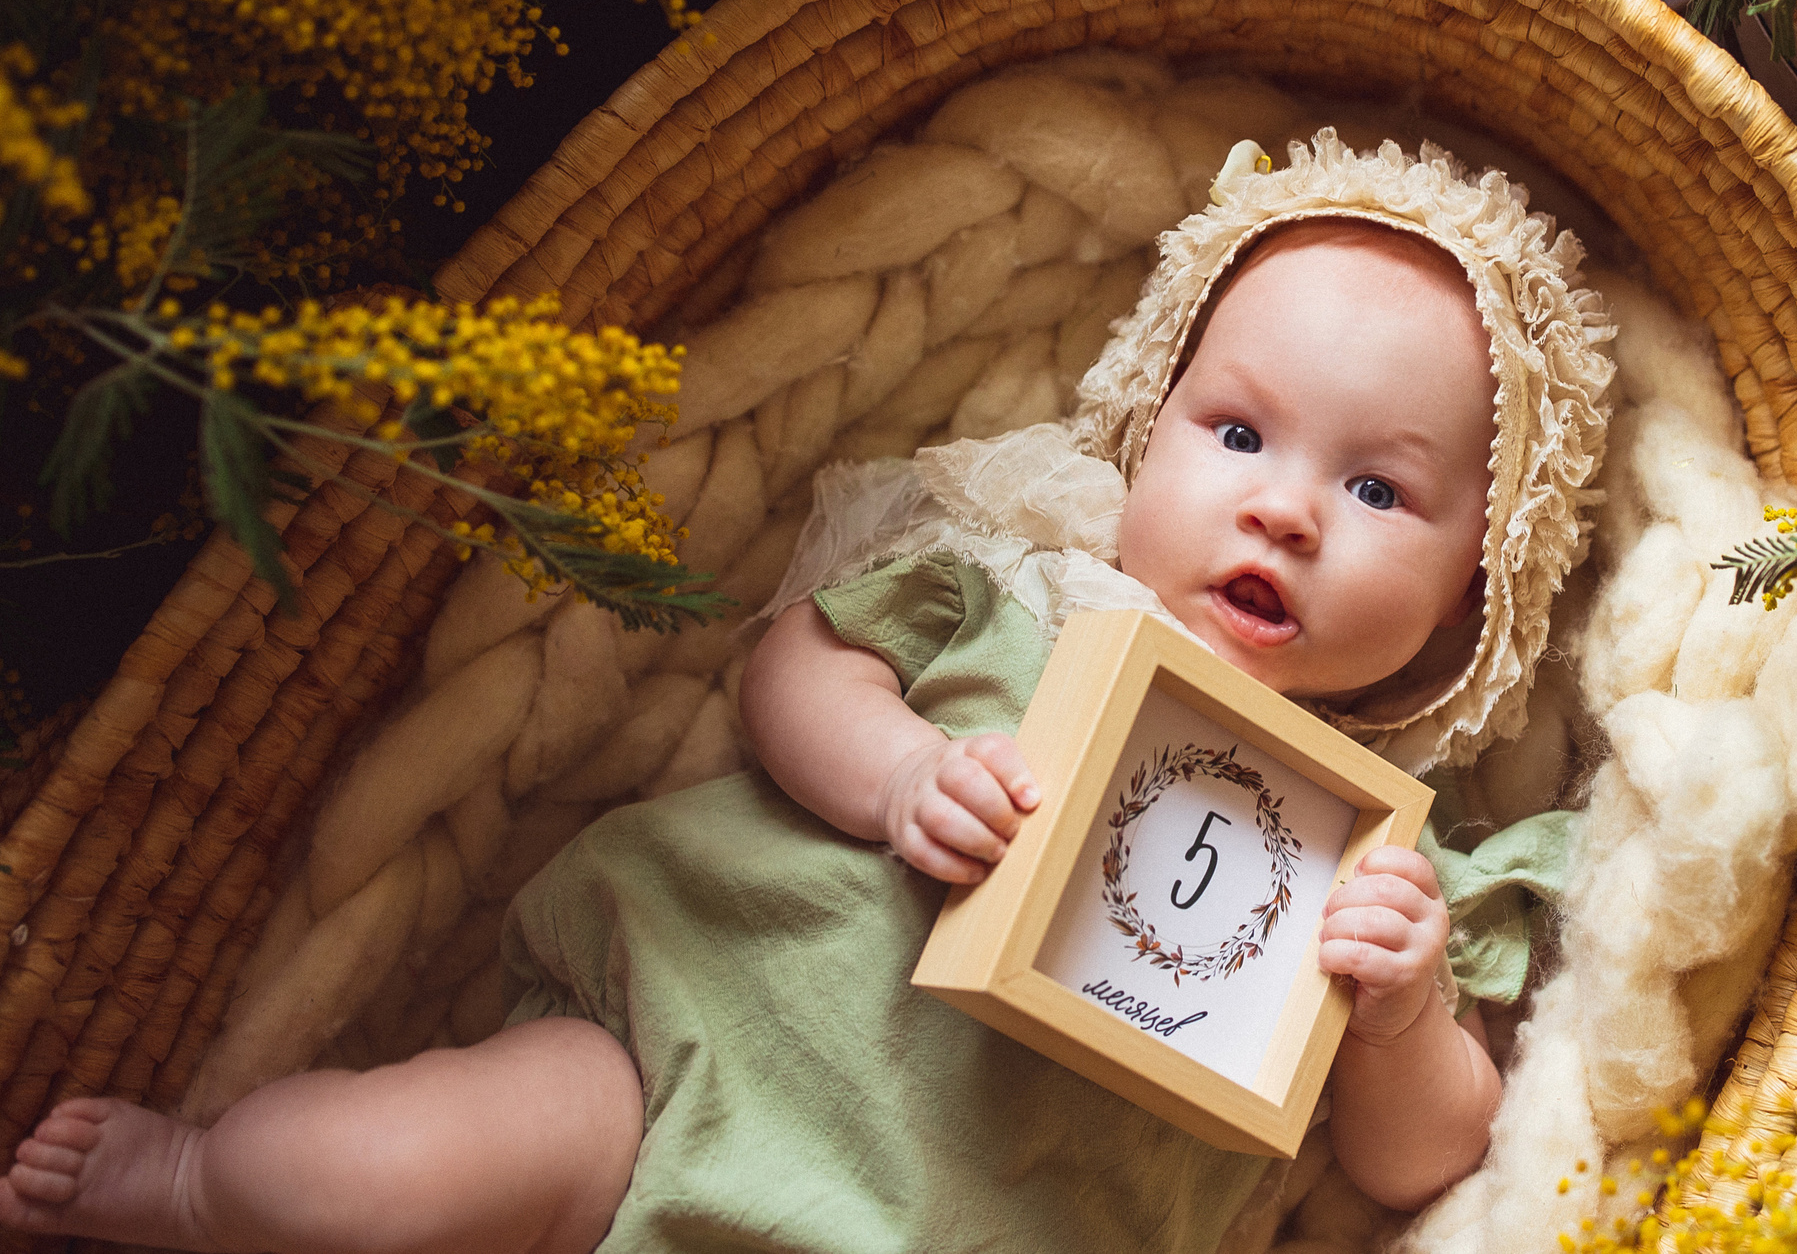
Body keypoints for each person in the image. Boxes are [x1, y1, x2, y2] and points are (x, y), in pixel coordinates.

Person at [0, 133, 1613, 1254]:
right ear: (1148, 415)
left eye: (1383, 494)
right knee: (361, 1178)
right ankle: (200, 1186)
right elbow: (799, 665)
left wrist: (1399, 1014)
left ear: (1489, 578)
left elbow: (1420, 1159)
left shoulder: (1382, 859)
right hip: (674, 1080)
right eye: (1240, 435)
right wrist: (898, 771)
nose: (1285, 510)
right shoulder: (1026, 600)